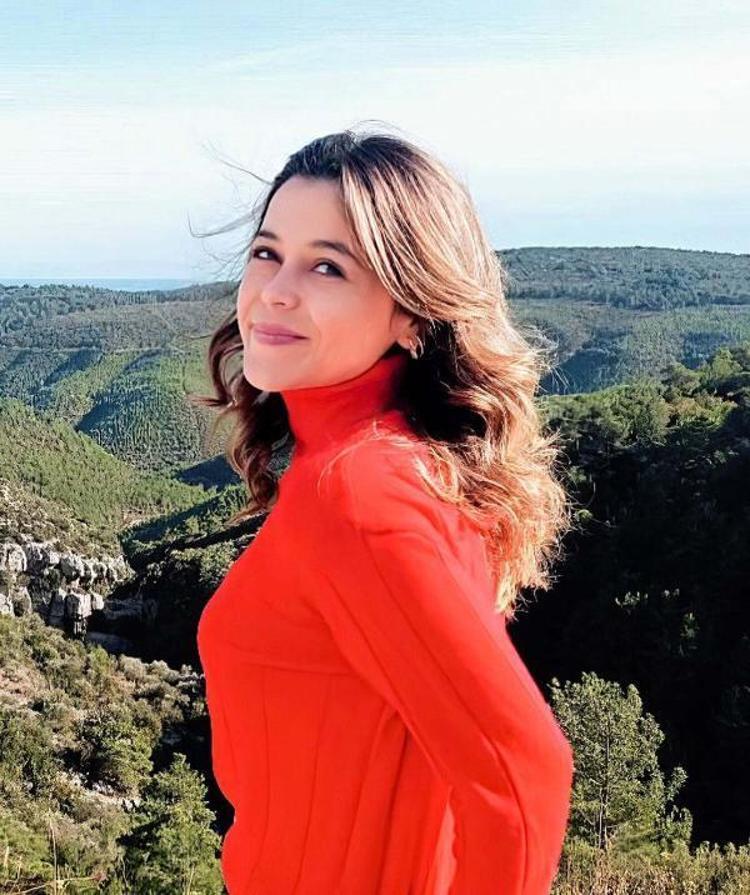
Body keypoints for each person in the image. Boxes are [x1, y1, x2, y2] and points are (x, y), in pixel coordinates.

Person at [195, 124, 575, 894]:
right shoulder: (406, 461)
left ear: (413, 315)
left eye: (327, 266)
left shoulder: (360, 490)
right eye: (267, 252)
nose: (274, 290)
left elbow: (523, 774)